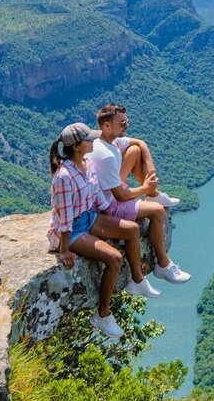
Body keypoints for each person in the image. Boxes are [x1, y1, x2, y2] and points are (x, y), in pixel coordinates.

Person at [47, 122, 161, 341]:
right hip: (73, 230)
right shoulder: (64, 177)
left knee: (132, 230)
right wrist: (64, 250)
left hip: (90, 217)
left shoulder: (87, 163)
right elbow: (64, 216)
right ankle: (103, 314)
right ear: (77, 146)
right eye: (89, 139)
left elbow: (98, 197)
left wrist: (118, 215)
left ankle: (137, 281)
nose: (93, 142)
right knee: (114, 258)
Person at [87, 102, 191, 285]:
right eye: (122, 123)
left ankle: (154, 194)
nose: (127, 126)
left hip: (112, 191)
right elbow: (120, 196)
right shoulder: (106, 155)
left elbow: (140, 143)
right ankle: (163, 265)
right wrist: (145, 188)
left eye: (127, 121)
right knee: (157, 211)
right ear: (106, 125)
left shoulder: (110, 141)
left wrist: (150, 174)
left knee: (134, 150)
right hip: (108, 205)